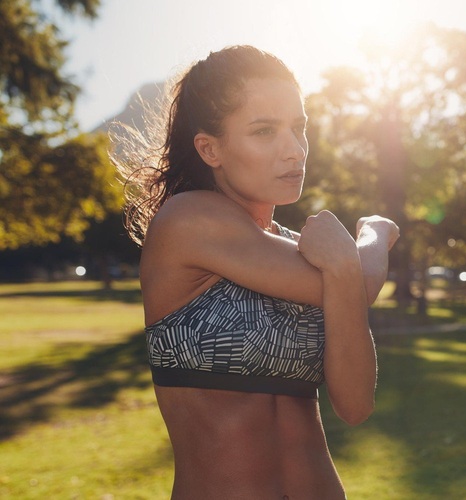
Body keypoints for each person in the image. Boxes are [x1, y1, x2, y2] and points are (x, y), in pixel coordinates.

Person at [116, 45, 399, 499]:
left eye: (298, 127)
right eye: (264, 131)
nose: (294, 150)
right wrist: (373, 236)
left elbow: (355, 404)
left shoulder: (296, 247)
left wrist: (344, 261)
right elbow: (361, 280)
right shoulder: (187, 222)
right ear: (210, 148)